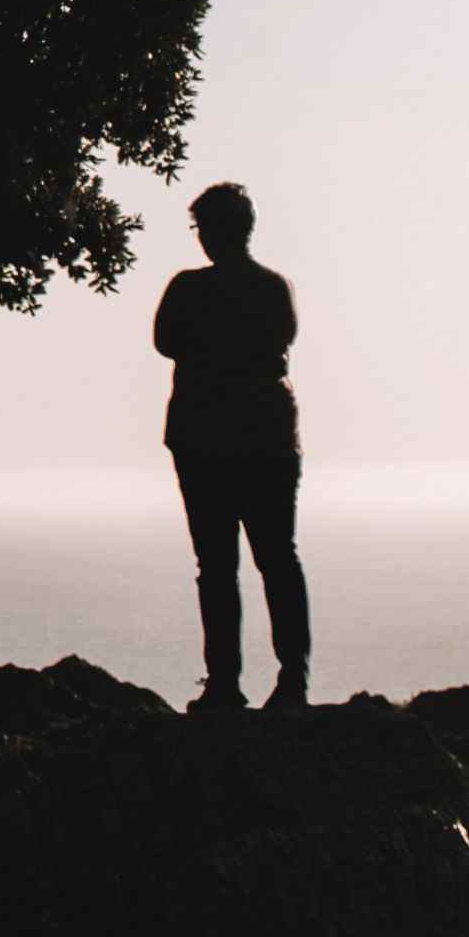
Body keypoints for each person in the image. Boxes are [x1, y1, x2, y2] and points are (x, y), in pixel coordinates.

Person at [152, 181, 307, 714]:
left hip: (204, 439)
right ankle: (293, 682)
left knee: (216, 565)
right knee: (277, 558)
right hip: (268, 437)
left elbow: (165, 342)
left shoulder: (188, 289)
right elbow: (281, 339)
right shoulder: (273, 287)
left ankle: (224, 684)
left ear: (212, 230)